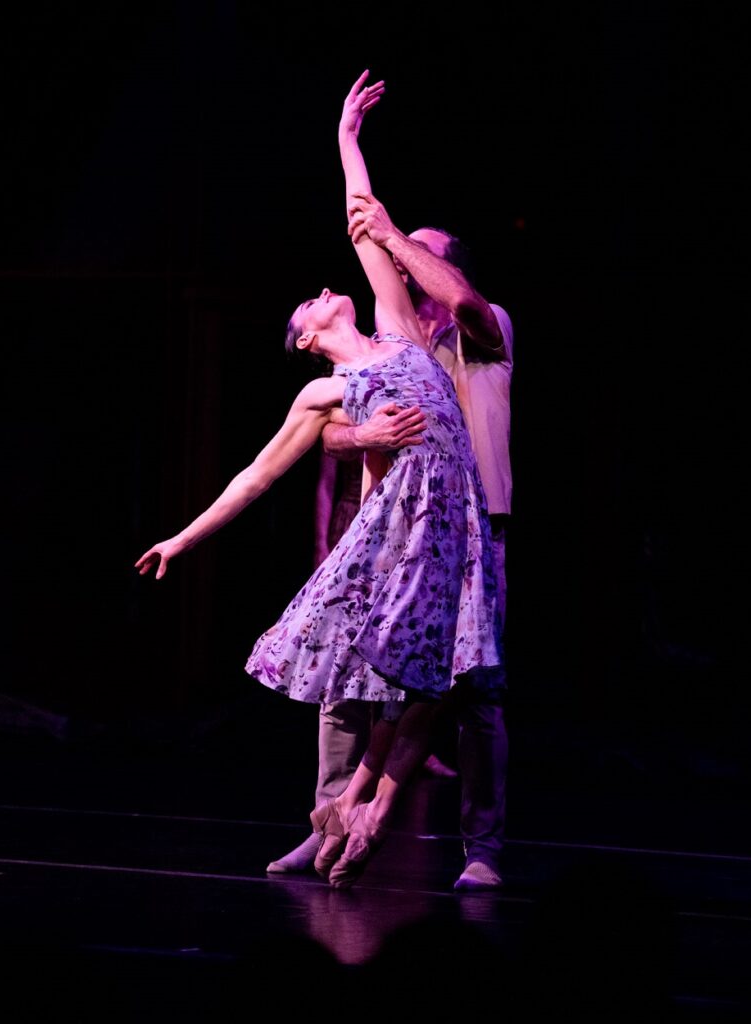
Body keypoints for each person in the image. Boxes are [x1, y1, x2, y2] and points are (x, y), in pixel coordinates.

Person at [136, 72, 503, 890]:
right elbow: (256, 476)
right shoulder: (324, 391)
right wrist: (183, 536)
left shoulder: (398, 328)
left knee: (447, 672)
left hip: (458, 520)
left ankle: (366, 806)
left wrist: (347, 139)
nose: (324, 289)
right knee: (386, 673)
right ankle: (349, 809)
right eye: (310, 302)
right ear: (307, 339)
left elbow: (365, 232)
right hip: (396, 532)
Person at [269, 75, 513, 891]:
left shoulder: (482, 329)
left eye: (422, 254)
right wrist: (359, 433)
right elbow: (324, 433)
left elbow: (445, 285)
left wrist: (393, 231)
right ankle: (332, 811)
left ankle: (478, 848)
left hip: (477, 527)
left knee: (469, 689)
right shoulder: (386, 339)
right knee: (349, 676)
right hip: (396, 528)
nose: (406, 262)